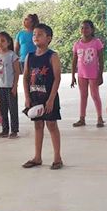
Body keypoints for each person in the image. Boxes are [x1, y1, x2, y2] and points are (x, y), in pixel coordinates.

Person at [22, 24, 63, 170]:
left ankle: (57, 157)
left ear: (48, 38)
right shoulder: (29, 56)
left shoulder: (52, 56)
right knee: (38, 125)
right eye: (34, 34)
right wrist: (27, 97)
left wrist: (51, 99)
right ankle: (37, 157)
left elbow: (57, 78)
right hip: (35, 97)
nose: (35, 37)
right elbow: (26, 77)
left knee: (51, 125)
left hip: (48, 96)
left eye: (39, 34)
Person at [70, 20, 104, 128]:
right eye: (82, 28)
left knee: (95, 95)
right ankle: (82, 118)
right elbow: (74, 60)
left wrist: (100, 74)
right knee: (83, 96)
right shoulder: (77, 44)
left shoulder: (96, 42)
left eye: (87, 28)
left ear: (92, 29)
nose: (84, 30)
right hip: (81, 75)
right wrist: (72, 76)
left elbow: (101, 59)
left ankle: (99, 118)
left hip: (93, 74)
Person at [0, 32, 20, 138]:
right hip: (0, 86)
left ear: (8, 42)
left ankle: (14, 129)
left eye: (3, 41)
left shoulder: (12, 55)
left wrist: (14, 86)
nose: (0, 43)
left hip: (10, 86)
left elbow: (17, 72)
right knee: (2, 109)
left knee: (12, 109)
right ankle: (5, 129)